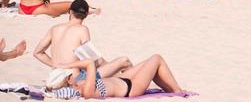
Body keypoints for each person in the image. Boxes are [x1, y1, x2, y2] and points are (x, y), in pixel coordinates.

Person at [33, 0, 128, 79]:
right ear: (86, 15)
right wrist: (110, 67)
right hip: (73, 79)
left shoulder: (54, 28)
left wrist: (55, 65)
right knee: (123, 63)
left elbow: (37, 53)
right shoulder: (82, 30)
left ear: (70, 12)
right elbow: (91, 58)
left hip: (55, 77)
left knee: (110, 69)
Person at [49, 54, 183, 99]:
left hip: (122, 80)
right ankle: (178, 91)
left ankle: (171, 90)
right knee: (156, 58)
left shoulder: (78, 84)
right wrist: (67, 65)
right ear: (67, 79)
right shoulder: (86, 90)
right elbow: (90, 63)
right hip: (131, 89)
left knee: (150, 63)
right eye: (70, 74)